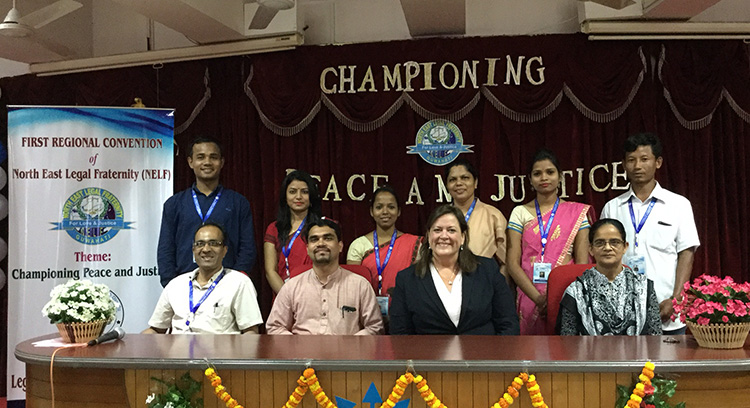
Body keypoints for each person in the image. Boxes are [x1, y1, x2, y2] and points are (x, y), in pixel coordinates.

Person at [601, 133, 700, 335]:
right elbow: (603, 259)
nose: (637, 166)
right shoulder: (612, 208)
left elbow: (686, 254)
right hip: (622, 314)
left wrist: (676, 299)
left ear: (658, 162)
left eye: (644, 159)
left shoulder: (678, 205)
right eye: (631, 160)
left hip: (666, 310)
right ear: (624, 164)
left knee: (666, 366)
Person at [389, 205, 519, 335]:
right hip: (428, 354)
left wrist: (496, 355)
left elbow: (508, 323)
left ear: (462, 237)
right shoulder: (407, 279)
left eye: (451, 230)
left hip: (482, 353)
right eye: (437, 230)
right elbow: (399, 333)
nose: (444, 236)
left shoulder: (488, 270)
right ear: (428, 236)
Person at [506, 149, 593, 335]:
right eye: (537, 173)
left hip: (566, 297)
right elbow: (512, 264)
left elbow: (582, 264)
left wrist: (560, 299)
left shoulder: (576, 214)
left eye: (550, 172)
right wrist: (538, 299)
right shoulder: (519, 213)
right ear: (529, 179)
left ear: (560, 177)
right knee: (530, 356)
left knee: (565, 354)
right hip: (529, 297)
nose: (544, 177)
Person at [157, 137, 257, 287]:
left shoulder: (238, 203)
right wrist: (171, 285)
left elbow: (247, 248)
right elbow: (166, 249)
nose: (207, 162)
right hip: (184, 285)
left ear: (222, 162)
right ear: (190, 162)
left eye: (213, 157)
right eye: (200, 157)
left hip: (227, 286)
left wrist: (234, 283)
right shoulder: (174, 204)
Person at [266, 218, 384, 335]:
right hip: (302, 352)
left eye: (328, 238)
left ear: (340, 246)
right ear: (307, 249)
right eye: (314, 239)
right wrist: (297, 347)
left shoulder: (360, 285)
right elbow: (274, 327)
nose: (321, 243)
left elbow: (375, 327)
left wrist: (350, 346)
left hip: (347, 352)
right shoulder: (292, 286)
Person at [145, 223, 263, 334]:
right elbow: (156, 330)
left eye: (213, 243)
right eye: (200, 244)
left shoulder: (239, 283)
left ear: (225, 250)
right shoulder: (176, 285)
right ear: (193, 250)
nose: (206, 249)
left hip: (220, 354)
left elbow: (250, 332)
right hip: (178, 353)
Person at [556, 219, 662, 336]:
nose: (607, 248)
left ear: (625, 247)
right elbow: (567, 342)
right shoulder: (576, 291)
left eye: (614, 242)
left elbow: (655, 338)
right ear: (590, 249)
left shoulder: (644, 288)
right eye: (600, 243)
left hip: (638, 353)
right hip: (588, 354)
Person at [346, 185, 421, 302]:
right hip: (366, 308)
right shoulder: (359, 245)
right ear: (371, 211)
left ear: (399, 211)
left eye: (391, 207)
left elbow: (418, 284)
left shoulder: (415, 244)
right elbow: (353, 286)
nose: (385, 212)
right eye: (379, 207)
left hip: (405, 309)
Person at [444, 159, 509, 282]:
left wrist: (495, 289)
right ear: (447, 186)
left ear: (475, 183)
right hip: (447, 284)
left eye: (465, 178)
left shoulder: (493, 215)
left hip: (483, 285)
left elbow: (506, 261)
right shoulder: (440, 217)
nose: (459, 183)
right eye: (452, 180)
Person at [264, 170, 322, 294]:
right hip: (284, 298)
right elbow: (270, 271)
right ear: (285, 197)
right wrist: (289, 298)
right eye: (292, 191)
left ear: (311, 196)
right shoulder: (274, 228)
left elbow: (329, 267)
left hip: (317, 295)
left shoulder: (324, 227)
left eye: (305, 192)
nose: (298, 197)